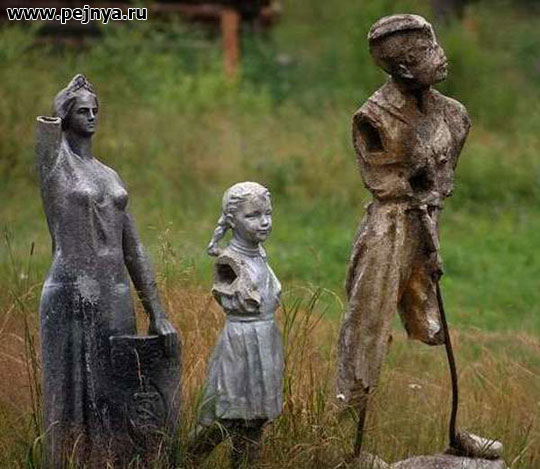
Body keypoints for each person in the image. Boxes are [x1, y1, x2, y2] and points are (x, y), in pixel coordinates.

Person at [336, 14, 471, 454]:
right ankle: (347, 443)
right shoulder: (374, 117)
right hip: (389, 231)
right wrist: (419, 193)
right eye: (428, 51)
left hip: (426, 226)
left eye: (435, 43)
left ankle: (455, 433)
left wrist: (429, 210)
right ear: (404, 68)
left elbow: (440, 180)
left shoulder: (454, 114)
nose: (441, 55)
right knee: (367, 326)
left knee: (437, 324)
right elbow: (387, 183)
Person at [35, 74, 176, 466]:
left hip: (115, 294)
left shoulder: (110, 175)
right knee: (69, 400)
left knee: (115, 394)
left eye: (96, 109)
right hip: (70, 292)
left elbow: (134, 248)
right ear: (66, 116)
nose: (93, 116)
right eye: (83, 110)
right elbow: (44, 138)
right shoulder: (56, 166)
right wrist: (61, 103)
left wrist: (156, 311)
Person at [190, 181, 283, 468]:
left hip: (265, 340)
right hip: (242, 343)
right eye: (253, 215)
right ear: (232, 220)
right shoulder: (230, 261)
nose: (264, 222)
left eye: (267, 213)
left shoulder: (259, 254)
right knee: (229, 417)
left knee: (256, 420)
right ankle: (186, 458)